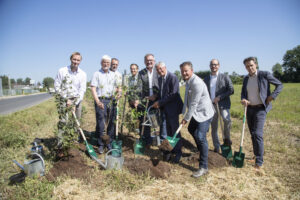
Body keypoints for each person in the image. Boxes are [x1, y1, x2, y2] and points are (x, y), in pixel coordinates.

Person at [241, 57, 283, 170]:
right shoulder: (246, 79)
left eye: (251, 65)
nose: (250, 68)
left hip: (260, 109)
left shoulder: (264, 74)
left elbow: (279, 85)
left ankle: (259, 162)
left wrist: (272, 96)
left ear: (256, 64)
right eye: (247, 66)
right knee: (253, 134)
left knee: (258, 134)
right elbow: (243, 93)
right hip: (249, 109)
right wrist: (243, 99)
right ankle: (255, 156)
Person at [180, 61, 214, 178]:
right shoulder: (188, 81)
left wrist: (186, 118)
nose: (184, 73)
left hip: (204, 113)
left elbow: (194, 103)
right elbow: (187, 98)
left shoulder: (197, 83)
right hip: (196, 113)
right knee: (191, 129)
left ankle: (203, 167)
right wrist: (184, 112)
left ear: (191, 70)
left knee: (200, 136)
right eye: (182, 71)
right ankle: (201, 150)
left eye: (186, 71)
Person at [152, 62, 183, 163]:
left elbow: (173, 94)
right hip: (164, 109)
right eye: (158, 69)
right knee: (168, 131)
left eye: (161, 69)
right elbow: (162, 93)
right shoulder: (160, 79)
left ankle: (178, 153)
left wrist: (160, 102)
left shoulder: (172, 77)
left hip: (173, 109)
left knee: (175, 131)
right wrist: (157, 101)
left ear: (165, 67)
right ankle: (170, 151)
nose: (160, 71)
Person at [54, 52, 87, 147]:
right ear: (71, 59)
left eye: (78, 60)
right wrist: (66, 99)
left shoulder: (83, 74)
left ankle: (74, 140)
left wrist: (75, 103)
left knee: (76, 121)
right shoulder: (62, 71)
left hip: (77, 100)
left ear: (80, 61)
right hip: (64, 99)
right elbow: (57, 86)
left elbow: (82, 90)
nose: (76, 62)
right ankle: (60, 142)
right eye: (74, 59)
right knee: (64, 121)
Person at [91, 55, 120, 154]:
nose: (106, 64)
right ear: (101, 63)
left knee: (111, 122)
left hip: (112, 100)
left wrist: (119, 93)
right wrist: (97, 101)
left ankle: (109, 143)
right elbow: (93, 88)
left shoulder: (113, 75)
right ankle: (101, 144)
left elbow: (117, 87)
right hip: (101, 100)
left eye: (108, 63)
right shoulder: (97, 74)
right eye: (104, 62)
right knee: (101, 123)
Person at [204, 59, 234, 153]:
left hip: (223, 105)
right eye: (212, 65)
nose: (214, 66)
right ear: (210, 66)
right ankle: (217, 147)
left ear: (219, 66)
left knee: (227, 120)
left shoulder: (224, 77)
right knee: (214, 127)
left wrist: (220, 97)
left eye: (216, 65)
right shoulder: (206, 79)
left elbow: (231, 90)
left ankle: (227, 140)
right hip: (212, 106)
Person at [137, 53, 159, 146]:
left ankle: (157, 140)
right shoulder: (141, 73)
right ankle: (147, 141)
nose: (149, 62)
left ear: (154, 61)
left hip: (156, 100)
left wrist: (156, 96)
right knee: (144, 120)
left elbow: (161, 86)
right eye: (147, 60)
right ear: (144, 62)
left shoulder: (158, 71)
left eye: (151, 60)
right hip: (145, 100)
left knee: (155, 121)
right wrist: (139, 99)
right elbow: (139, 87)